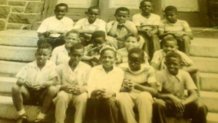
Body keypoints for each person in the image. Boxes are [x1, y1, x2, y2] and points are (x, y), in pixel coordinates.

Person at [153, 51, 208, 123]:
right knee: (157, 105)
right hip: (167, 104)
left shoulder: (184, 74)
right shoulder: (160, 74)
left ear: (180, 65)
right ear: (165, 64)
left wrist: (183, 103)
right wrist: (171, 96)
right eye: (169, 64)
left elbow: (194, 94)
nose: (171, 66)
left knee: (201, 107)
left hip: (181, 104)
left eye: (175, 64)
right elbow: (156, 93)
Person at [11, 42, 58, 123]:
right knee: (15, 87)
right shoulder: (29, 66)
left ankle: (41, 116)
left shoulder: (52, 66)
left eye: (44, 55)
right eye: (39, 54)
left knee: (53, 89)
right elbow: (19, 80)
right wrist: (25, 82)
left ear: (49, 56)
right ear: (35, 54)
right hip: (29, 93)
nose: (41, 57)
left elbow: (55, 81)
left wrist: (44, 84)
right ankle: (22, 115)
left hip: (42, 94)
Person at [117, 48, 158, 123]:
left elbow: (154, 91)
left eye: (136, 61)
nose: (132, 63)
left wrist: (137, 86)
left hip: (141, 94)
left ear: (142, 61)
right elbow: (114, 87)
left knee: (145, 96)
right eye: (130, 60)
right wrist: (123, 88)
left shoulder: (148, 69)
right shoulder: (121, 68)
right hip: (128, 94)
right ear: (127, 59)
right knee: (122, 96)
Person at [85, 46, 124, 123]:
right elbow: (90, 85)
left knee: (109, 102)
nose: (107, 59)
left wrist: (110, 93)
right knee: (94, 102)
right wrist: (95, 91)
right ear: (100, 59)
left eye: (110, 57)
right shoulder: (94, 70)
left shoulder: (119, 71)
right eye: (104, 57)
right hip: (96, 95)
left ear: (115, 59)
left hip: (111, 97)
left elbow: (117, 87)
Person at [54, 43, 91, 123]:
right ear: (69, 54)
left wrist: (83, 89)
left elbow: (90, 84)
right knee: (61, 96)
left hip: (79, 92)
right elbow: (55, 84)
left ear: (82, 55)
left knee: (83, 97)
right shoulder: (60, 67)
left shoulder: (87, 68)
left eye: (79, 56)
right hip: (65, 91)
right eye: (74, 55)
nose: (76, 58)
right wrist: (62, 87)